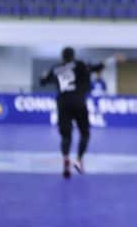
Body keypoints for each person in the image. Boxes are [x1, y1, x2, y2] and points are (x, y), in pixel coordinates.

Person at [40, 48, 122, 178]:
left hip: (63, 103)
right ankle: (78, 160)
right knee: (85, 133)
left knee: (66, 136)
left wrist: (44, 75)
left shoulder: (56, 68)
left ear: (62, 57)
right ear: (74, 56)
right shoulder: (80, 64)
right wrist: (113, 59)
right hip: (79, 102)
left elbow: (43, 82)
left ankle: (66, 158)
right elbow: (98, 67)